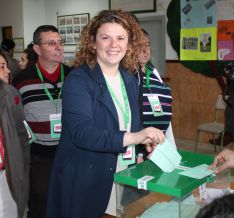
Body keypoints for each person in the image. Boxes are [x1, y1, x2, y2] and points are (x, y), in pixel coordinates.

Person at [46, 9, 165, 218]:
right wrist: (134, 137)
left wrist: (141, 143)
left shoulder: (129, 79)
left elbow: (132, 122)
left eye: (120, 38)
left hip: (122, 173)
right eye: (105, 37)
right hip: (86, 178)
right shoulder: (79, 80)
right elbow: (83, 133)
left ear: (129, 43)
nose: (113, 45)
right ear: (92, 42)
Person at [12, 25, 71, 218]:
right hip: (38, 157)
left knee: (68, 203)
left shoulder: (74, 77)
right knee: (41, 205)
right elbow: (16, 120)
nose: (59, 47)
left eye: (60, 43)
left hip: (70, 153)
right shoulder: (21, 80)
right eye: (51, 43)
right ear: (37, 49)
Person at [136, 29, 176, 162]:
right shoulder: (128, 74)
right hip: (139, 146)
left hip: (159, 143)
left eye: (147, 45)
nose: (145, 50)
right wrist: (137, 153)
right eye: (140, 46)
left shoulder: (153, 71)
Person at [0, 50, 30, 217]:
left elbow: (22, 135)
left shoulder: (10, 94)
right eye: (2, 67)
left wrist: (22, 167)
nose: (8, 71)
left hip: (6, 175)